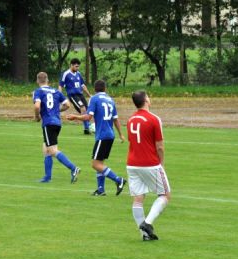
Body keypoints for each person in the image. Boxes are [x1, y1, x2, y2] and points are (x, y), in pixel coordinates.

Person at [67, 80, 126, 196]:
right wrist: (121, 134)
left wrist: (75, 117)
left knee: (95, 164)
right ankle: (100, 189)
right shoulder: (110, 99)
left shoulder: (94, 99)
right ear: (105, 88)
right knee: (100, 162)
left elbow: (88, 117)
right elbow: (115, 119)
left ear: (95, 89)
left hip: (102, 135)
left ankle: (119, 180)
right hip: (110, 135)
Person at [126, 90, 171, 241]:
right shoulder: (154, 119)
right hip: (149, 163)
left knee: (138, 198)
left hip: (132, 164)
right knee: (165, 195)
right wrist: (161, 164)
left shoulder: (131, 119)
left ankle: (145, 235)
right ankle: (148, 223)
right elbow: (160, 146)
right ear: (146, 100)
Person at [33, 72, 81, 184]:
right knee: (46, 148)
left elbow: (36, 106)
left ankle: (74, 168)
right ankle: (47, 177)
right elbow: (67, 105)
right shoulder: (56, 91)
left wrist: (37, 116)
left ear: (37, 81)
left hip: (48, 123)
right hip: (57, 123)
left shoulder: (38, 91)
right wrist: (57, 111)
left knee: (52, 150)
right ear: (47, 80)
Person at [59, 58, 93, 135]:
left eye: (78, 66)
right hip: (72, 95)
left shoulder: (78, 74)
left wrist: (89, 95)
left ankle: (87, 127)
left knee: (87, 111)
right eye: (76, 66)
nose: (77, 68)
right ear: (71, 65)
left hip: (80, 95)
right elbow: (60, 86)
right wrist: (59, 97)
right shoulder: (66, 74)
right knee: (83, 108)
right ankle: (87, 128)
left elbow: (83, 86)